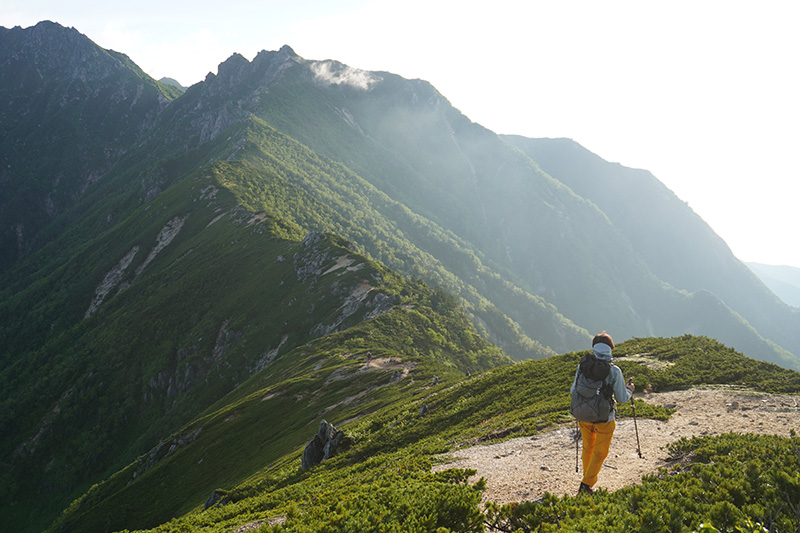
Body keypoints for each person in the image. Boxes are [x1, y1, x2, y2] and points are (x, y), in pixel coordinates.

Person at [570, 332, 634, 495]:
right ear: (610, 350)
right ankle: (585, 486)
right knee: (600, 452)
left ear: (594, 348)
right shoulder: (614, 371)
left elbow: (573, 389)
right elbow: (622, 399)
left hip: (583, 416)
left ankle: (587, 483)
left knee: (588, 449)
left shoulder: (582, 365)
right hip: (604, 419)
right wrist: (629, 390)